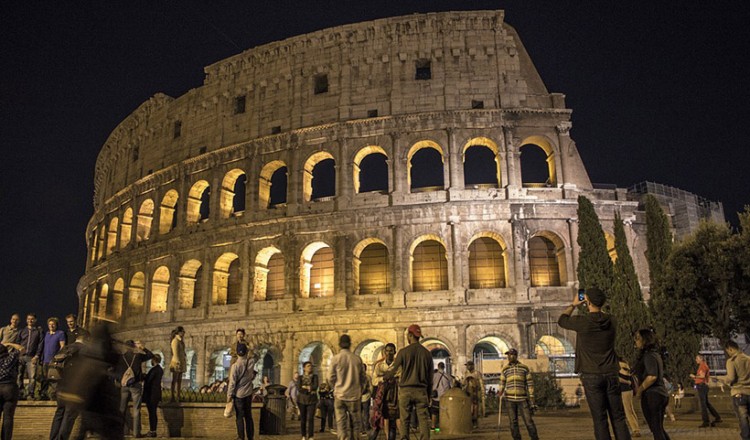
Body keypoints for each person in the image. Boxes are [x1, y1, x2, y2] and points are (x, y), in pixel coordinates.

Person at [558, 288, 631, 440]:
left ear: (588, 302)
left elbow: (562, 320)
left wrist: (573, 305)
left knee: (600, 419)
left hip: (591, 375)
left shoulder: (582, 322)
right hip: (611, 373)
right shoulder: (612, 320)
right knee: (618, 418)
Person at [385, 324, 433, 440]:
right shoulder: (427, 354)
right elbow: (430, 378)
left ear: (410, 335)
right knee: (423, 420)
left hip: (405, 390)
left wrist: (386, 377)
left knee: (404, 419)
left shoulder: (403, 352)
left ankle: (404, 438)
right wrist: (429, 394)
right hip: (421, 390)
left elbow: (393, 370)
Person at [632, 329, 670, 440]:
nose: (636, 341)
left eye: (638, 338)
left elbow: (652, 376)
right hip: (659, 394)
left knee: (656, 430)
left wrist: (640, 390)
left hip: (653, 395)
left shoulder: (649, 356)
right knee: (658, 428)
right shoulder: (655, 355)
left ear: (645, 340)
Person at [49, 331, 86, 440]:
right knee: (69, 415)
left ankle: (53, 438)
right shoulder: (84, 350)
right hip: (74, 386)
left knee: (59, 412)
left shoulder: (65, 348)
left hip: (60, 385)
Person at [328, 334, 366, 440]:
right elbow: (363, 378)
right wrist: (360, 389)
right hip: (354, 396)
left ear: (339, 345)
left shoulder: (336, 359)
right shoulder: (357, 359)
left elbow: (330, 377)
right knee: (356, 424)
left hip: (340, 395)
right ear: (350, 344)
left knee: (341, 425)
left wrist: (335, 388)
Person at [498, 348, 538, 440]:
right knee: (513, 422)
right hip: (510, 400)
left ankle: (535, 438)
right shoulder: (505, 369)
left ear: (515, 356)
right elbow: (502, 383)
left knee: (528, 421)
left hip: (522, 399)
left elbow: (530, 383)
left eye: (511, 355)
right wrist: (500, 391)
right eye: (508, 355)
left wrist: (531, 396)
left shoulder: (524, 368)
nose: (509, 357)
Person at [117, 340, 155, 438]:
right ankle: (136, 433)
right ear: (133, 347)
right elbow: (151, 355)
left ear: (125, 347)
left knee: (122, 409)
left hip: (124, 385)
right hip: (136, 385)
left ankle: (120, 432)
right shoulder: (138, 356)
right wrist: (142, 348)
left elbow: (117, 371)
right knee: (136, 409)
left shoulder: (121, 357)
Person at [719, 340, 749, 440]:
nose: (728, 353)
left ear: (730, 349)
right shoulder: (748, 358)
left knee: (743, 419)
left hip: (738, 392)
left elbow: (731, 378)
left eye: (728, 351)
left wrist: (720, 379)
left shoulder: (731, 361)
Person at [227, 343, 257, 440]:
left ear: (237, 353)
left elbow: (232, 382)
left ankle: (241, 437)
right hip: (248, 393)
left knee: (239, 417)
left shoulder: (235, 366)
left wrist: (229, 395)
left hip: (239, 394)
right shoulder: (251, 362)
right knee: (248, 416)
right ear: (246, 352)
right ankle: (250, 437)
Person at [369, 343, 397, 440]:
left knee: (392, 423)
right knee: (377, 423)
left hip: (393, 397)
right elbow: (374, 381)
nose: (389, 353)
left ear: (395, 352)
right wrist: (384, 378)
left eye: (391, 351)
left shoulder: (398, 365)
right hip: (381, 397)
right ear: (384, 352)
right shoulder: (379, 365)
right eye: (387, 351)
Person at [0, 341, 24, 440]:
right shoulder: (11, 357)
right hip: (10, 387)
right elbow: (22, 349)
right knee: (8, 417)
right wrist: (9, 343)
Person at [690, 354, 722, 427]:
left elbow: (702, 376)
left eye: (697, 358)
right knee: (706, 403)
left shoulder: (703, 366)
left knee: (703, 404)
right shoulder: (703, 366)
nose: (696, 360)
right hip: (702, 386)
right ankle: (717, 417)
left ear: (701, 359)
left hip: (702, 386)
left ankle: (706, 421)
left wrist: (694, 376)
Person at [17, 314, 43, 400]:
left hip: (32, 357)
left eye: (32, 319)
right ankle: (20, 393)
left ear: (35, 320)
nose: (30, 321)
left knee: (32, 377)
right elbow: (18, 343)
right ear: (26, 320)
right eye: (28, 319)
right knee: (19, 375)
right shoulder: (22, 331)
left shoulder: (38, 331)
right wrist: (18, 354)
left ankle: (30, 394)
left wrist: (37, 356)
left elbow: (40, 344)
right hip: (21, 356)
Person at [41, 317, 66, 400]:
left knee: (54, 379)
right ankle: (44, 395)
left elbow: (62, 346)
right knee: (45, 378)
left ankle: (54, 395)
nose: (51, 326)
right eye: (50, 324)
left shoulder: (60, 333)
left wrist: (57, 358)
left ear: (56, 325)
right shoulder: (47, 334)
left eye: (53, 324)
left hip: (54, 361)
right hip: (45, 360)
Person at [618, 359, 640, 437]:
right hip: (629, 390)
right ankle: (636, 428)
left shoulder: (618, 366)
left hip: (623, 391)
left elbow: (618, 379)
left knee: (628, 411)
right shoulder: (626, 366)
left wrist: (627, 382)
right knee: (631, 410)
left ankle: (635, 430)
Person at [143, 354, 164, 438]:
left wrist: (144, 376)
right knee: (153, 413)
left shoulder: (154, 370)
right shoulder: (160, 369)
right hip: (156, 393)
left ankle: (152, 431)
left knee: (152, 413)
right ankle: (153, 430)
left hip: (151, 394)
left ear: (154, 360)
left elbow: (149, 380)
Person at [297, 361, 319, 440]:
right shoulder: (300, 377)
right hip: (302, 400)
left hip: (312, 400)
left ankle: (310, 436)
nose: (310, 367)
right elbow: (299, 388)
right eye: (308, 366)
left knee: (310, 418)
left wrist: (305, 387)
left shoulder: (315, 376)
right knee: (303, 418)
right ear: (304, 368)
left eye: (311, 366)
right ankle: (303, 435)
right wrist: (309, 389)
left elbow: (315, 386)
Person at [462, 360, 485, 429]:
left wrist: (482, 392)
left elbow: (481, 383)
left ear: (472, 366)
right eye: (467, 365)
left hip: (475, 392)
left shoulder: (477, 373)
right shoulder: (465, 373)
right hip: (467, 392)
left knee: (475, 408)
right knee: (468, 408)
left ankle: (475, 422)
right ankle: (469, 422)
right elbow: (463, 383)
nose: (468, 367)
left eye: (469, 365)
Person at [431, 362, 451, 430]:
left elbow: (431, 384)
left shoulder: (434, 375)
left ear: (438, 367)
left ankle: (433, 426)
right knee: (444, 412)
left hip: (436, 397)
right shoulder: (448, 376)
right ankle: (443, 426)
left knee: (434, 412)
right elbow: (451, 386)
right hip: (445, 396)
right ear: (444, 367)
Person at [169, 326, 186, 402]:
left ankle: (178, 396)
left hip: (180, 363)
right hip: (176, 363)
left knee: (179, 381)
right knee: (174, 380)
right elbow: (175, 353)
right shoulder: (175, 341)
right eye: (183, 332)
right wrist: (178, 363)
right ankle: (172, 397)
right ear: (178, 332)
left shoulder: (180, 341)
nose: (184, 333)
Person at [361, 364, 372, 435]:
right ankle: (365, 427)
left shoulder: (357, 377)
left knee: (362, 414)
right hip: (365, 397)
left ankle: (363, 428)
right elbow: (371, 387)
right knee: (365, 413)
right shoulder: (368, 377)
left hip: (362, 397)